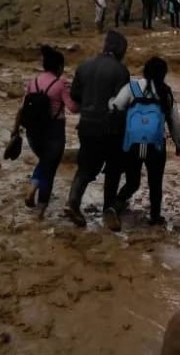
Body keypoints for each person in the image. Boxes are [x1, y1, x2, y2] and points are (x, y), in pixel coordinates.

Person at [109, 57, 180, 225]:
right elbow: (175, 121)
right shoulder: (165, 92)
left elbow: (115, 107)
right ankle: (155, 217)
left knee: (132, 181)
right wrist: (179, 145)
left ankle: (115, 206)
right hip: (156, 145)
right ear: (163, 73)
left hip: (132, 143)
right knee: (155, 182)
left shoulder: (133, 87)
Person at [67, 31, 130, 231]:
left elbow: (75, 97)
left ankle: (73, 202)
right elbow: (122, 104)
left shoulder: (84, 66)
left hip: (86, 125)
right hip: (111, 128)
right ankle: (108, 209)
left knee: (85, 167)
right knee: (113, 170)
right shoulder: (120, 71)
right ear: (120, 50)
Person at [12, 46, 78, 219]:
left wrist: (14, 132)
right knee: (49, 168)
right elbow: (73, 108)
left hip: (33, 133)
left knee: (44, 162)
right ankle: (40, 208)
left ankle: (33, 188)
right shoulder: (61, 84)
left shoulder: (32, 82)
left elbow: (21, 109)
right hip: (54, 133)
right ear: (59, 67)